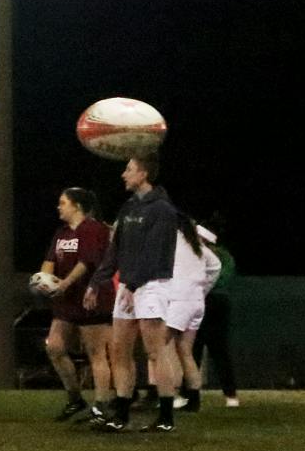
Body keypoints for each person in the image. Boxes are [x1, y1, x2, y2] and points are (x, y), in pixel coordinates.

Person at [86, 154, 182, 433]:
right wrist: (97, 282)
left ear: (144, 175)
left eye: (129, 169)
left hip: (152, 285)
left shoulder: (163, 210)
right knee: (119, 350)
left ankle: (165, 417)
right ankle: (122, 414)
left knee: (154, 351)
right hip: (129, 285)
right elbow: (115, 251)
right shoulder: (128, 208)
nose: (123, 175)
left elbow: (152, 254)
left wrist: (132, 285)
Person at [39, 187, 114, 422]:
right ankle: (75, 398)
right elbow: (49, 261)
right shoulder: (61, 233)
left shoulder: (94, 229)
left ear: (77, 206)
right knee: (55, 347)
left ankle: (101, 404)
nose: (58, 207)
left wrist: (65, 283)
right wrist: (44, 280)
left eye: (63, 203)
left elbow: (87, 262)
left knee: (96, 353)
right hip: (66, 301)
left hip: (91, 297)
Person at [162, 211, 220, 413]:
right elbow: (216, 266)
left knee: (161, 348)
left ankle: (172, 396)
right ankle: (194, 400)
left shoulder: (172, 243)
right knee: (185, 351)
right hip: (196, 302)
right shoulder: (197, 246)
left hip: (178, 301)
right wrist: (202, 288)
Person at [190, 219, 241, 408]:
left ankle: (190, 394)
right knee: (218, 351)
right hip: (220, 302)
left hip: (208, 301)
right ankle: (230, 395)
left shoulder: (204, 255)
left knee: (195, 349)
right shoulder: (226, 256)